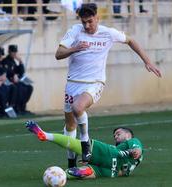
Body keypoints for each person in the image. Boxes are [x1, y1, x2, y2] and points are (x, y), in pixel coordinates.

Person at [55, 3, 161, 167]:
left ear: (97, 18)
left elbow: (130, 40)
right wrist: (74, 49)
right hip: (73, 83)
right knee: (70, 125)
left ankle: (85, 143)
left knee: (78, 108)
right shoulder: (75, 31)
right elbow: (58, 54)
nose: (87, 25)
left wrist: (147, 61)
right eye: (84, 22)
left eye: (90, 21)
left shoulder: (108, 33)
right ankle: (71, 164)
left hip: (95, 83)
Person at [26, 120, 143, 179]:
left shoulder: (132, 141)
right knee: (88, 172)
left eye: (118, 133)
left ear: (128, 135)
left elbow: (137, 149)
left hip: (110, 154)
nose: (115, 136)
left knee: (78, 144)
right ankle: (77, 173)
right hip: (112, 172)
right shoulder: (124, 149)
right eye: (115, 135)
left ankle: (45, 135)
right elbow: (124, 171)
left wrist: (136, 151)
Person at [2, 45, 33, 115]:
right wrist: (13, 74)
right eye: (13, 52)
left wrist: (20, 62)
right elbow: (7, 71)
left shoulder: (13, 61)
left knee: (29, 87)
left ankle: (22, 106)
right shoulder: (6, 61)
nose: (14, 54)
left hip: (16, 81)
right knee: (19, 88)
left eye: (15, 52)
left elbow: (21, 72)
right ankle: (17, 108)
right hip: (9, 81)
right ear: (9, 52)